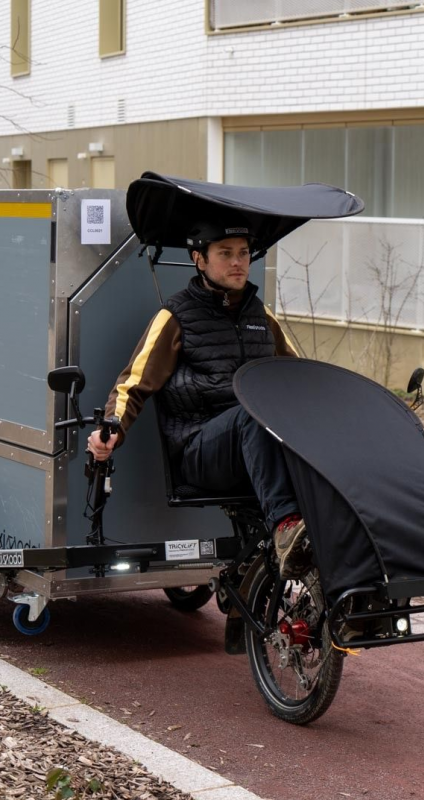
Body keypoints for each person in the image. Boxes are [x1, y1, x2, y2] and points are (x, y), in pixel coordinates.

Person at [86, 218, 310, 579]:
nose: (237, 262)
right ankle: (286, 527)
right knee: (252, 414)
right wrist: (111, 429)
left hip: (254, 450)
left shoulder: (261, 315)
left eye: (243, 253)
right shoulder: (176, 316)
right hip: (199, 452)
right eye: (225, 254)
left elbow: (299, 379)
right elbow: (133, 383)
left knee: (291, 423)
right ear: (199, 259)